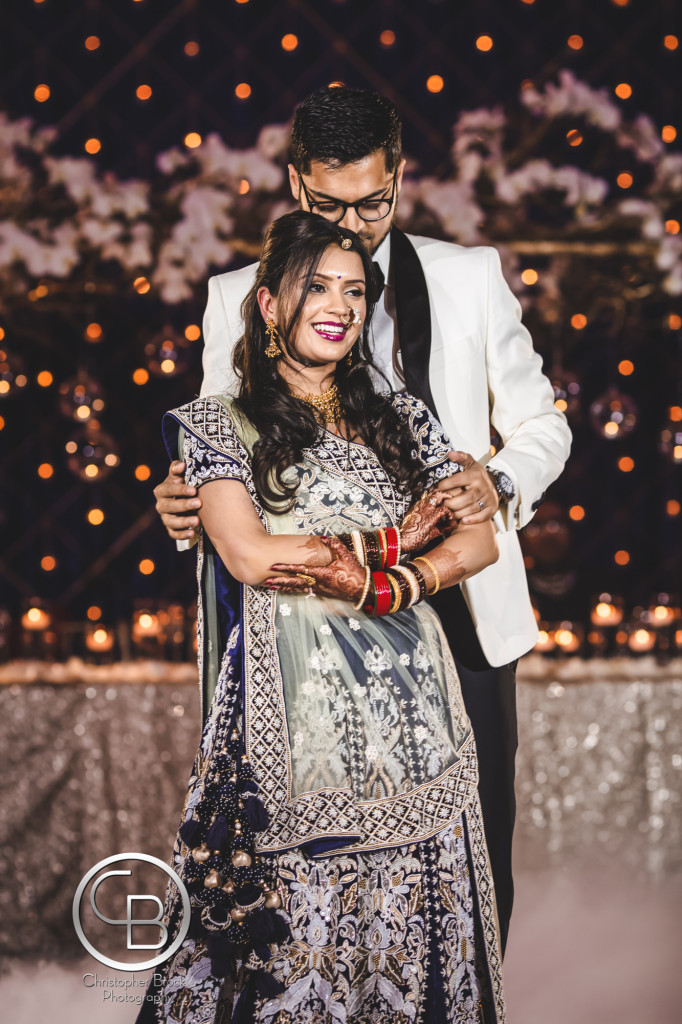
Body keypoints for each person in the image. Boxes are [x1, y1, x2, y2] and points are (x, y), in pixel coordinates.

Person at [153, 86, 572, 954]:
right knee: (303, 869)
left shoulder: (468, 276)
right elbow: (216, 448)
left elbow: (544, 424)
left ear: (401, 177)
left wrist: (495, 481)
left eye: (374, 203)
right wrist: (183, 507)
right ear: (295, 184)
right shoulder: (237, 292)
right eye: (328, 203)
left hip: (457, 604)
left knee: (476, 853)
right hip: (303, 625)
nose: (356, 222)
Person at [139, 211, 506, 1023]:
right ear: (269, 304)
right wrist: (390, 540)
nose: (338, 305)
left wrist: (396, 584)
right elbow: (246, 551)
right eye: (316, 288)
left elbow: (476, 540)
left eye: (353, 290)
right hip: (292, 720)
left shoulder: (400, 419)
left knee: (410, 928)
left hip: (416, 716)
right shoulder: (219, 424)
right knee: (284, 930)